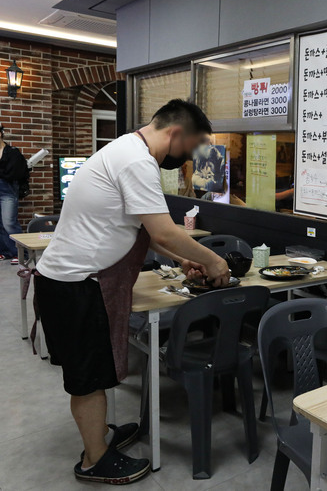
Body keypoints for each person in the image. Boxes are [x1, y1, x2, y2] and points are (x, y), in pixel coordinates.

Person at [34, 99, 230, 485]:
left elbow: (142, 231)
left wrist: (180, 260)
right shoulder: (137, 161)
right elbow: (163, 230)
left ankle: (101, 438)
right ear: (176, 134)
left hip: (69, 281)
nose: (189, 158)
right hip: (75, 285)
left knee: (93, 372)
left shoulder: (124, 148)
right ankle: (95, 460)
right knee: (87, 378)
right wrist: (213, 262)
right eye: (190, 149)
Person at [0, 123, 28, 264]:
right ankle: (5, 251)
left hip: (7, 191)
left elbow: (14, 173)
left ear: (0, 134)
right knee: (0, 224)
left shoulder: (12, 152)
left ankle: (21, 253)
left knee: (9, 222)